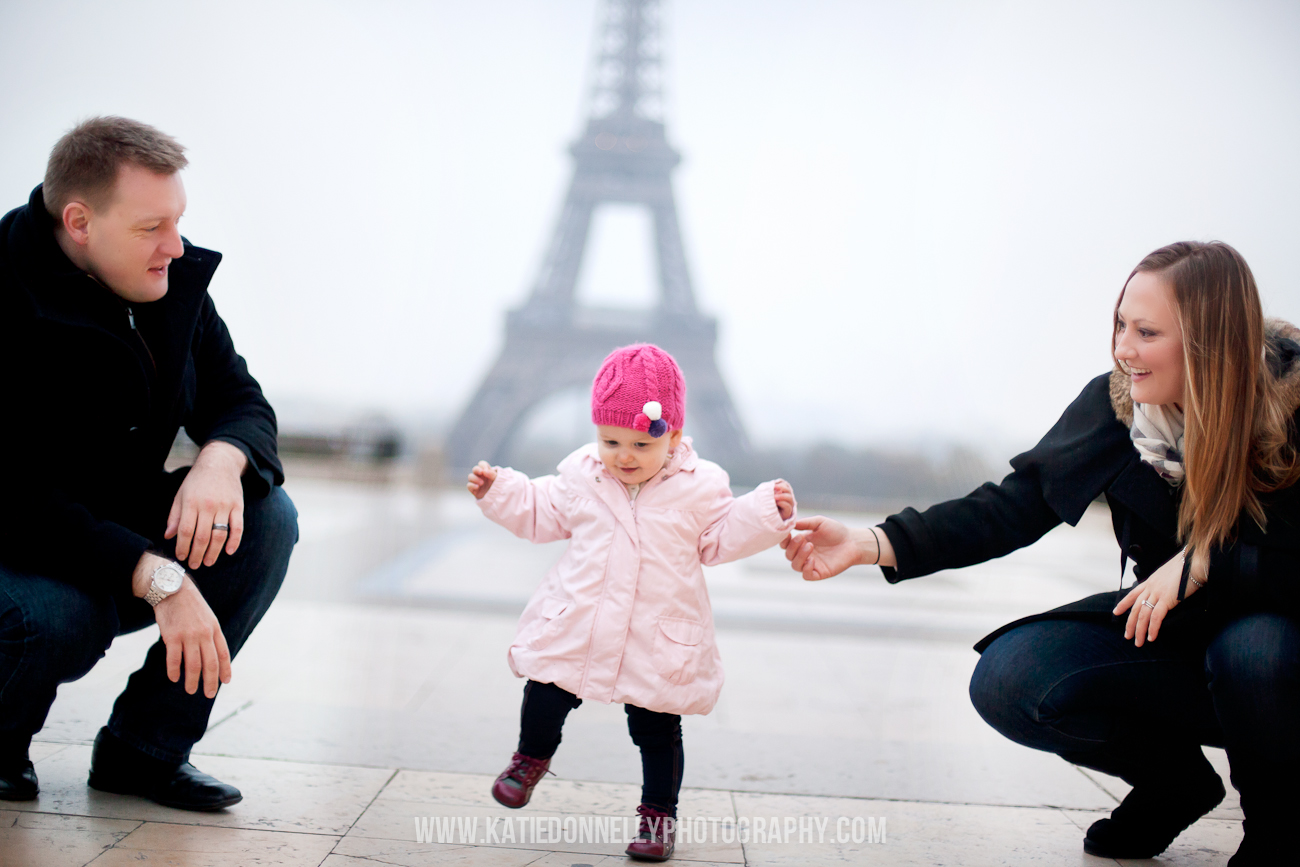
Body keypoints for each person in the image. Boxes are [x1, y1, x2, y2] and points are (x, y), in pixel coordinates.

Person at [781, 241, 1300, 866]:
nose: (1122, 349)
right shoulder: (1120, 409)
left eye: (1146, 332)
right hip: (1175, 638)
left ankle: (1276, 830)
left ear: (1210, 343)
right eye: (1119, 324)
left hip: (1278, 655)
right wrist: (874, 543)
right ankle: (1174, 786)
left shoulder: (1291, 409)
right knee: (1013, 677)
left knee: (1253, 649)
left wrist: (1208, 560)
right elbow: (1013, 506)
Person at [0, 117, 296, 811]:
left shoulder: (170, 281)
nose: (176, 245)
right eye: (150, 227)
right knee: (56, 615)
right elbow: (13, 497)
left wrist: (222, 460)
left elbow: (240, 397)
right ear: (79, 221)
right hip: (19, 542)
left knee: (265, 517)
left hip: (106, 530)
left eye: (179, 221)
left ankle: (147, 749)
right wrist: (157, 576)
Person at [467, 343, 796, 862]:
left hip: (656, 632)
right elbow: (541, 509)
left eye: (641, 445)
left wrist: (762, 513)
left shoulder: (700, 487)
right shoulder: (582, 475)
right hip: (581, 621)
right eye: (610, 440)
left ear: (675, 438)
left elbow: (720, 536)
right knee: (546, 688)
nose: (623, 456)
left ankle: (658, 816)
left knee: (656, 725)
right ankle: (530, 758)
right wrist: (498, 490)